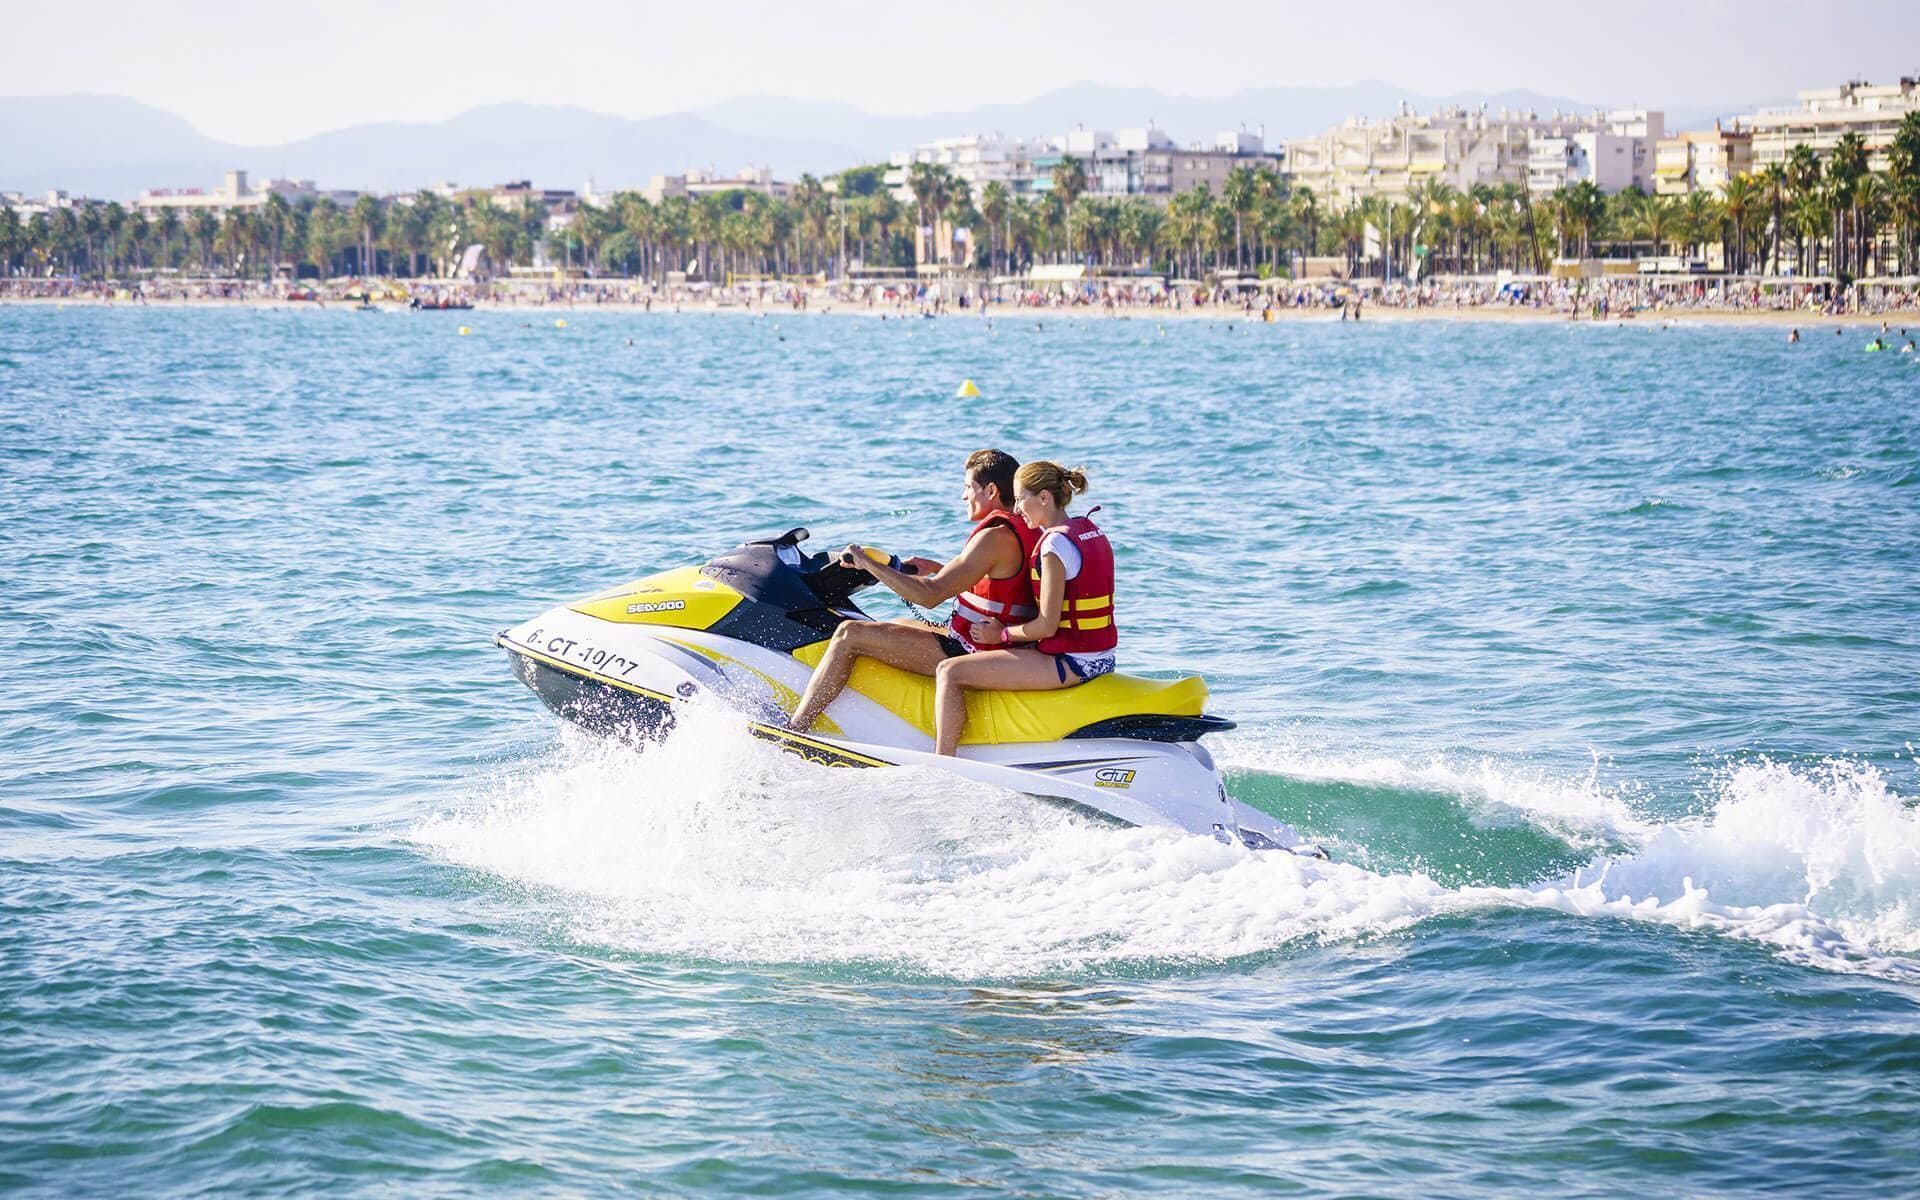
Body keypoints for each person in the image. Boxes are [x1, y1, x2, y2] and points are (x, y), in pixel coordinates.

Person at [787, 449, 1040, 732]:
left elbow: (929, 596)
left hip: (978, 648)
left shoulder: (994, 537)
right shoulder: (1024, 526)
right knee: (894, 624)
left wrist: (868, 564)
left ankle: (796, 728)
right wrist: (935, 567)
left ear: (990, 490)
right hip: (990, 638)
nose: (963, 496)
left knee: (849, 633)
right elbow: (1002, 585)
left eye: (968, 487)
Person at [927, 462, 1118, 756]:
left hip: (1073, 663)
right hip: (1102, 657)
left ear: (1043, 497)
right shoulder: (1088, 530)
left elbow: (1046, 626)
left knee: (950, 671)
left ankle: (943, 764)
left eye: (1020, 498)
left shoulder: (1054, 546)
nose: (1016, 509)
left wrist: (1001, 635)